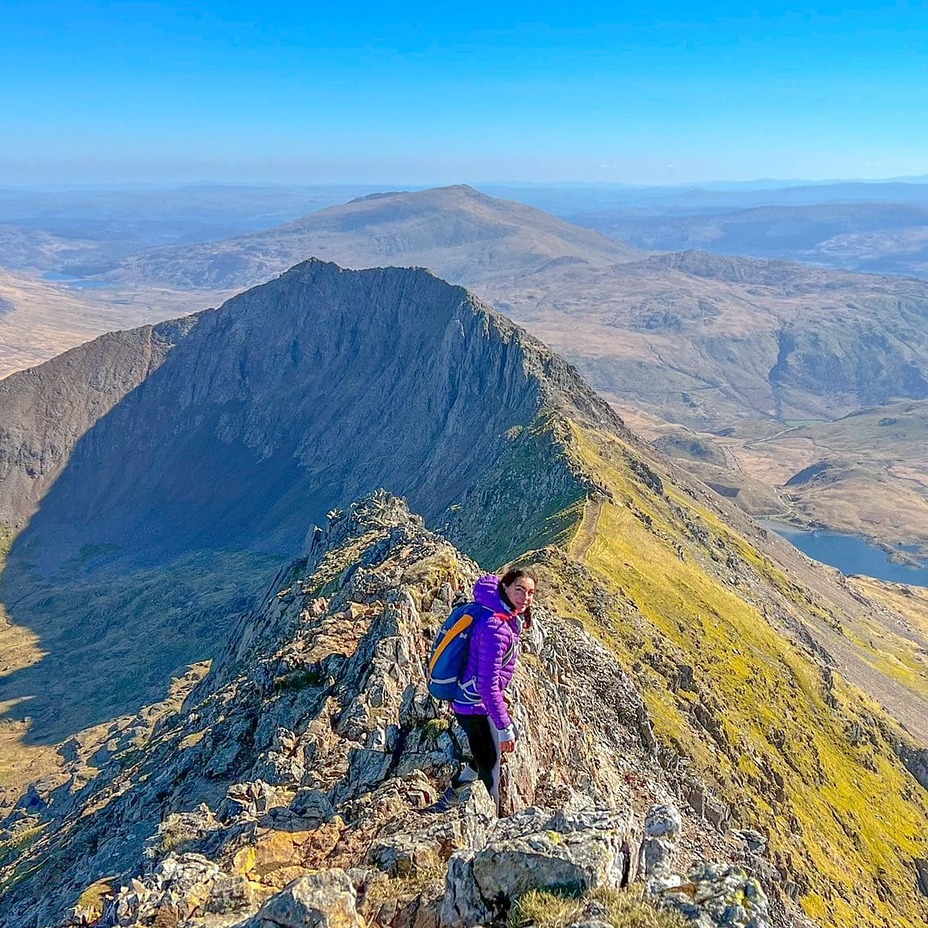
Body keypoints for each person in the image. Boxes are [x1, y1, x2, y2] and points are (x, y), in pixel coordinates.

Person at [432, 567, 536, 813]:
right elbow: (486, 684)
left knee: (486, 754)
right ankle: (490, 826)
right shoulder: (495, 627)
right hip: (474, 706)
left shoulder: (502, 614)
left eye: (530, 593)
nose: (525, 598)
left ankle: (455, 793)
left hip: (472, 701)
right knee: (491, 768)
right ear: (505, 588)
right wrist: (503, 727)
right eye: (519, 590)